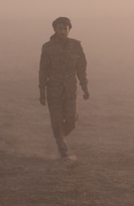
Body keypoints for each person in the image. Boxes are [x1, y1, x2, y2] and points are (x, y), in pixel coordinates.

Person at [39, 16, 89, 160]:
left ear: (69, 29)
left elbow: (81, 70)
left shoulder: (76, 46)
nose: (62, 32)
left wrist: (85, 88)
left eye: (65, 29)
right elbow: (43, 71)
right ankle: (63, 151)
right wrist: (42, 92)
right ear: (55, 29)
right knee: (56, 122)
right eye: (59, 29)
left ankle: (58, 137)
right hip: (53, 92)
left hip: (70, 91)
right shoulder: (48, 48)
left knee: (72, 121)